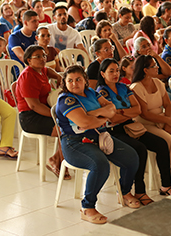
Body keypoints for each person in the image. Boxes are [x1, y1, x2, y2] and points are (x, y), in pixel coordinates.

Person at [56, 65, 139, 223]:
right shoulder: (66, 100)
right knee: (100, 164)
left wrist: (94, 114)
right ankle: (87, 207)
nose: (74, 83)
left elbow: (112, 108)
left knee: (131, 157)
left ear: (85, 81)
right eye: (70, 81)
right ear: (65, 83)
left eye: (78, 79)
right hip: (75, 143)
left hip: (99, 136)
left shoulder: (91, 92)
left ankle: (124, 192)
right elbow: (85, 122)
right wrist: (102, 117)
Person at [96, 58, 171, 204]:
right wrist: (124, 113)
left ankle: (166, 185)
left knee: (161, 144)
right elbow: (112, 119)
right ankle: (139, 191)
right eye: (111, 71)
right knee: (140, 149)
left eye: (117, 70)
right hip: (113, 131)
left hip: (131, 126)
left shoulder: (124, 87)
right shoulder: (101, 93)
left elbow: (137, 109)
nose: (115, 74)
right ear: (103, 73)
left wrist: (121, 112)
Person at [131, 55, 171, 187]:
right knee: (167, 139)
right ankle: (167, 175)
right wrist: (167, 121)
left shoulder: (158, 83)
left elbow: (168, 104)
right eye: (154, 66)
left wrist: (168, 122)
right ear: (145, 70)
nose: (157, 67)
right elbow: (145, 113)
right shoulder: (136, 87)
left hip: (162, 119)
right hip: (145, 123)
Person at [15, 45, 65, 177]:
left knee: (69, 124)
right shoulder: (27, 76)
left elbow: (48, 70)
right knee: (64, 128)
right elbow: (34, 106)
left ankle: (57, 158)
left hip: (43, 111)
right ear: (28, 60)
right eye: (38, 57)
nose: (42, 59)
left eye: (44, 55)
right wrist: (55, 115)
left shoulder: (41, 70)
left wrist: (58, 77)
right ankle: (58, 160)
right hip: (30, 117)